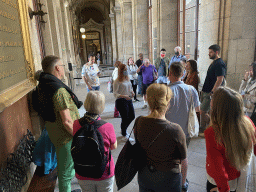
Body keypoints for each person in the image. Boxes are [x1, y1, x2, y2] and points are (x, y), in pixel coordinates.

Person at [34, 55, 82, 192]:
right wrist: (78, 135)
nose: (63, 69)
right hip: (66, 136)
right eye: (62, 66)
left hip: (54, 132)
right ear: (56, 68)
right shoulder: (58, 90)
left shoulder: (43, 85)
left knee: (65, 167)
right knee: (65, 173)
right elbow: (67, 121)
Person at [134, 83, 187, 192]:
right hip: (169, 179)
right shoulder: (176, 130)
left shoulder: (139, 121)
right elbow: (184, 161)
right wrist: (182, 185)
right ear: (168, 103)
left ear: (148, 101)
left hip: (145, 174)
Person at [205, 86, 256, 192]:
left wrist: (223, 189)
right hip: (239, 176)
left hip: (220, 183)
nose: (211, 102)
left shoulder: (212, 132)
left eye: (213, 99)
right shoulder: (248, 122)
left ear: (218, 107)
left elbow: (217, 168)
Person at [165, 62, 200, 192]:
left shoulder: (166, 91)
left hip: (169, 131)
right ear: (182, 73)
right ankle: (183, 183)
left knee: (169, 157)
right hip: (185, 131)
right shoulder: (191, 89)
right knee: (183, 156)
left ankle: (169, 181)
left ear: (170, 74)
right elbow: (197, 109)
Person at [73, 91, 117, 192]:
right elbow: (113, 146)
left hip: (82, 171)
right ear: (101, 105)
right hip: (104, 172)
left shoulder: (76, 124)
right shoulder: (107, 127)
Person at [199, 44, 226, 137]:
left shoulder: (220, 63)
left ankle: (207, 129)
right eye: (209, 52)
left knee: (203, 111)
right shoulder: (215, 62)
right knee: (204, 111)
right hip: (207, 91)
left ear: (216, 52)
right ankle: (208, 128)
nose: (209, 54)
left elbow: (220, 79)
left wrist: (213, 92)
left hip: (211, 92)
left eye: (211, 52)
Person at [113, 63, 135, 139]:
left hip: (128, 99)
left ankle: (123, 129)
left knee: (132, 116)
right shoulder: (117, 81)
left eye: (126, 69)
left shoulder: (127, 78)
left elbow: (130, 87)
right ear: (120, 71)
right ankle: (124, 132)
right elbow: (115, 94)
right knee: (125, 117)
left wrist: (132, 92)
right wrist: (124, 96)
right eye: (124, 70)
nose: (126, 71)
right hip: (121, 101)